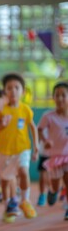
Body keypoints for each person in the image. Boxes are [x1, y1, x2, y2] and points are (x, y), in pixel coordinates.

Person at [0, 73, 38, 223]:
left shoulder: (25, 110)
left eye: (17, 87)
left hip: (22, 149)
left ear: (23, 91)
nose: (13, 91)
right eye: (9, 88)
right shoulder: (1, 110)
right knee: (4, 182)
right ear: (5, 92)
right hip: (4, 151)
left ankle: (25, 200)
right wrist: (1, 125)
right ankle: (7, 208)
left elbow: (33, 127)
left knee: (23, 171)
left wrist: (36, 146)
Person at [38, 82, 68, 220]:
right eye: (57, 95)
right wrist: (45, 141)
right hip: (55, 156)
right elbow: (39, 129)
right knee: (56, 183)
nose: (60, 98)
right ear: (53, 98)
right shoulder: (48, 116)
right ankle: (53, 191)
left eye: (64, 95)